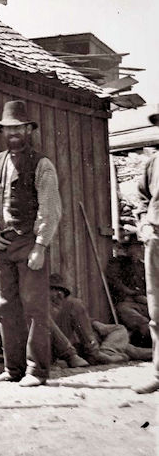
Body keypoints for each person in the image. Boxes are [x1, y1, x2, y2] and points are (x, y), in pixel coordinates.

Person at [0, 100, 61, 387]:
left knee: (34, 308)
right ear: (2, 131)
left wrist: (40, 246)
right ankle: (12, 369)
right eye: (8, 128)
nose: (13, 133)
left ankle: (36, 370)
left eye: (18, 128)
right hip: (2, 244)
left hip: (29, 243)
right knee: (5, 307)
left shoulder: (42, 164)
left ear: (28, 130)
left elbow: (50, 208)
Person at [132, 104, 159, 393]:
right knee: (157, 311)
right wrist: (144, 225)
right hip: (156, 240)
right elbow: (141, 198)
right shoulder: (153, 164)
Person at [106, 237, 150, 347]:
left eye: (138, 247)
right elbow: (114, 281)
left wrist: (146, 298)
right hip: (127, 302)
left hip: (144, 303)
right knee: (130, 314)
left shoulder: (142, 266)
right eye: (133, 247)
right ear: (127, 249)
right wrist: (133, 294)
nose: (137, 250)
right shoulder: (118, 263)